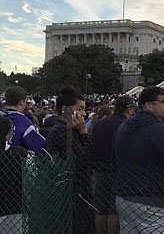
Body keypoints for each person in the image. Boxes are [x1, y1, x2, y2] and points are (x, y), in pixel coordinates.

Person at [112, 86, 164, 233]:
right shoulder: (162, 130)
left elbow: (114, 161)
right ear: (149, 105)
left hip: (125, 198)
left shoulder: (122, 127)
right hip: (155, 201)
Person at [45, 87, 94, 234]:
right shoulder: (62, 130)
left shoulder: (70, 130)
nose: (84, 114)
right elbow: (85, 158)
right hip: (71, 193)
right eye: (80, 109)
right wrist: (84, 133)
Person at [91, 96, 135, 234]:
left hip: (99, 169)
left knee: (100, 208)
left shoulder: (101, 123)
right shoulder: (128, 125)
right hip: (118, 170)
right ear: (129, 109)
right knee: (114, 209)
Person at [0, 115, 28, 233]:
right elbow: (30, 181)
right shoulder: (20, 154)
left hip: (13, 212)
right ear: (7, 135)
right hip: (14, 211)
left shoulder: (19, 153)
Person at [2, 86, 46, 154]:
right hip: (15, 161)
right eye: (25, 101)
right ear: (22, 102)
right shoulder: (24, 122)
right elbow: (39, 146)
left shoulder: (2, 117)